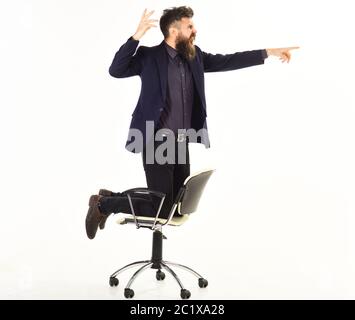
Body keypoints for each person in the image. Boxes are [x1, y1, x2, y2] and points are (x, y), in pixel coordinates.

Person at [85, 6, 299, 239]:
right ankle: (104, 205)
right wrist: (135, 37)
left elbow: (228, 61)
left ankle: (108, 197)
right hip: (155, 137)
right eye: (189, 26)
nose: (195, 30)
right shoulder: (148, 57)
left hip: (180, 141)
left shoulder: (193, 56)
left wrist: (268, 52)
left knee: (177, 204)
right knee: (162, 208)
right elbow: (116, 70)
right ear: (173, 30)